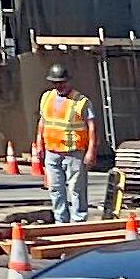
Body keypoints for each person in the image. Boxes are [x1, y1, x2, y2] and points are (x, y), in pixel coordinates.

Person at [36, 64, 96, 224]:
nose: (59, 86)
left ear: (68, 81)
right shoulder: (46, 97)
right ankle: (60, 221)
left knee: (77, 189)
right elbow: (43, 122)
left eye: (62, 82)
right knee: (55, 189)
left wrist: (91, 151)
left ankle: (79, 220)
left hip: (74, 152)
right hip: (52, 151)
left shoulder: (81, 101)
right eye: (56, 83)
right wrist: (39, 144)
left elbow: (91, 127)